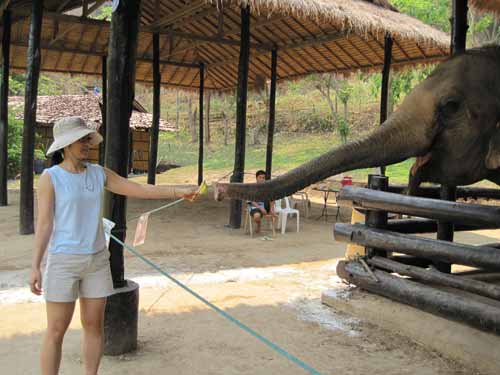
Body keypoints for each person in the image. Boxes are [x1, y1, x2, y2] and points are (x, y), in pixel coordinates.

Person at [29, 116, 198, 375]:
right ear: (65, 144)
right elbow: (44, 224)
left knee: (94, 326)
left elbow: (135, 189)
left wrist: (178, 191)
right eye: (81, 139)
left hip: (97, 261)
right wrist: (36, 266)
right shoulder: (51, 178)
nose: (87, 144)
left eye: (88, 139)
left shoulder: (98, 173)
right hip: (64, 261)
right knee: (55, 330)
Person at [247, 170, 275, 234]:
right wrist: (261, 208)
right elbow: (251, 201)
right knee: (257, 216)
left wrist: (272, 209)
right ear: (256, 178)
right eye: (260, 177)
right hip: (256, 207)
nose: (262, 179)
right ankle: (259, 225)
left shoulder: (267, 188)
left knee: (272, 196)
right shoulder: (251, 188)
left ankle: (270, 211)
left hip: (266, 206)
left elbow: (272, 199)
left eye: (263, 178)